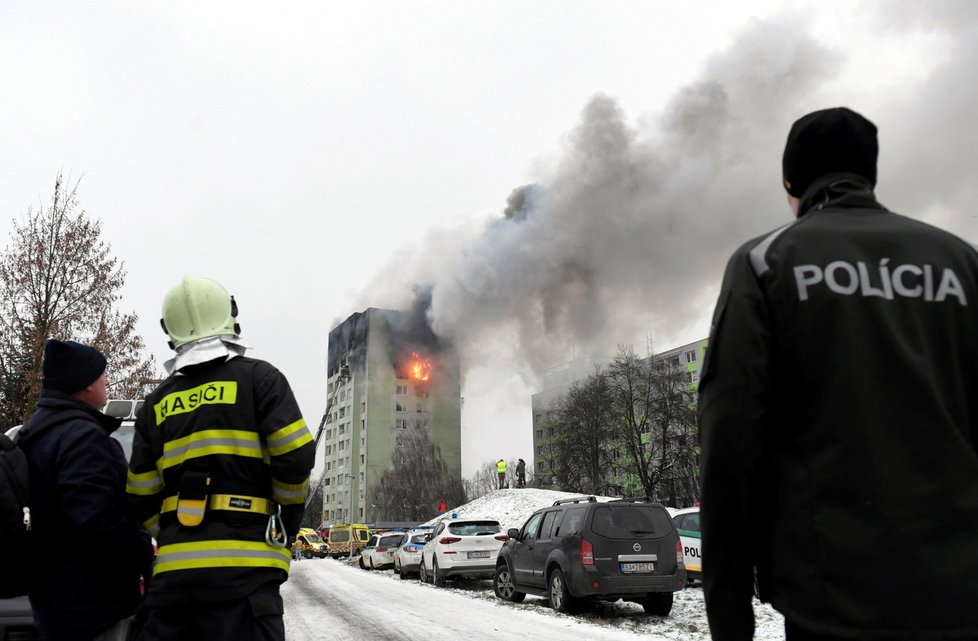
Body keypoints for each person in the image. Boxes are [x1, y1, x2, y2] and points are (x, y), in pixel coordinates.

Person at [698, 107, 978, 641]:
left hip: (833, 598)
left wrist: (729, 620)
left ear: (791, 182)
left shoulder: (765, 264)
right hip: (963, 598)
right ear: (870, 174)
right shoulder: (962, 263)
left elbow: (729, 448)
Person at [127, 276, 316, 641]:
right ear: (230, 317)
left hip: (170, 590)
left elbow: (139, 493)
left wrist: (177, 532)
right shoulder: (261, 380)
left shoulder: (156, 404)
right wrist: (281, 523)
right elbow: (295, 457)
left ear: (171, 331)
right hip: (244, 584)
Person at [19, 339, 155, 641]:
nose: (106, 380)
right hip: (94, 605)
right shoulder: (82, 437)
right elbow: (95, 521)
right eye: (100, 374)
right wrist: (143, 553)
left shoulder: (34, 433)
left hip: (53, 601)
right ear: (83, 384)